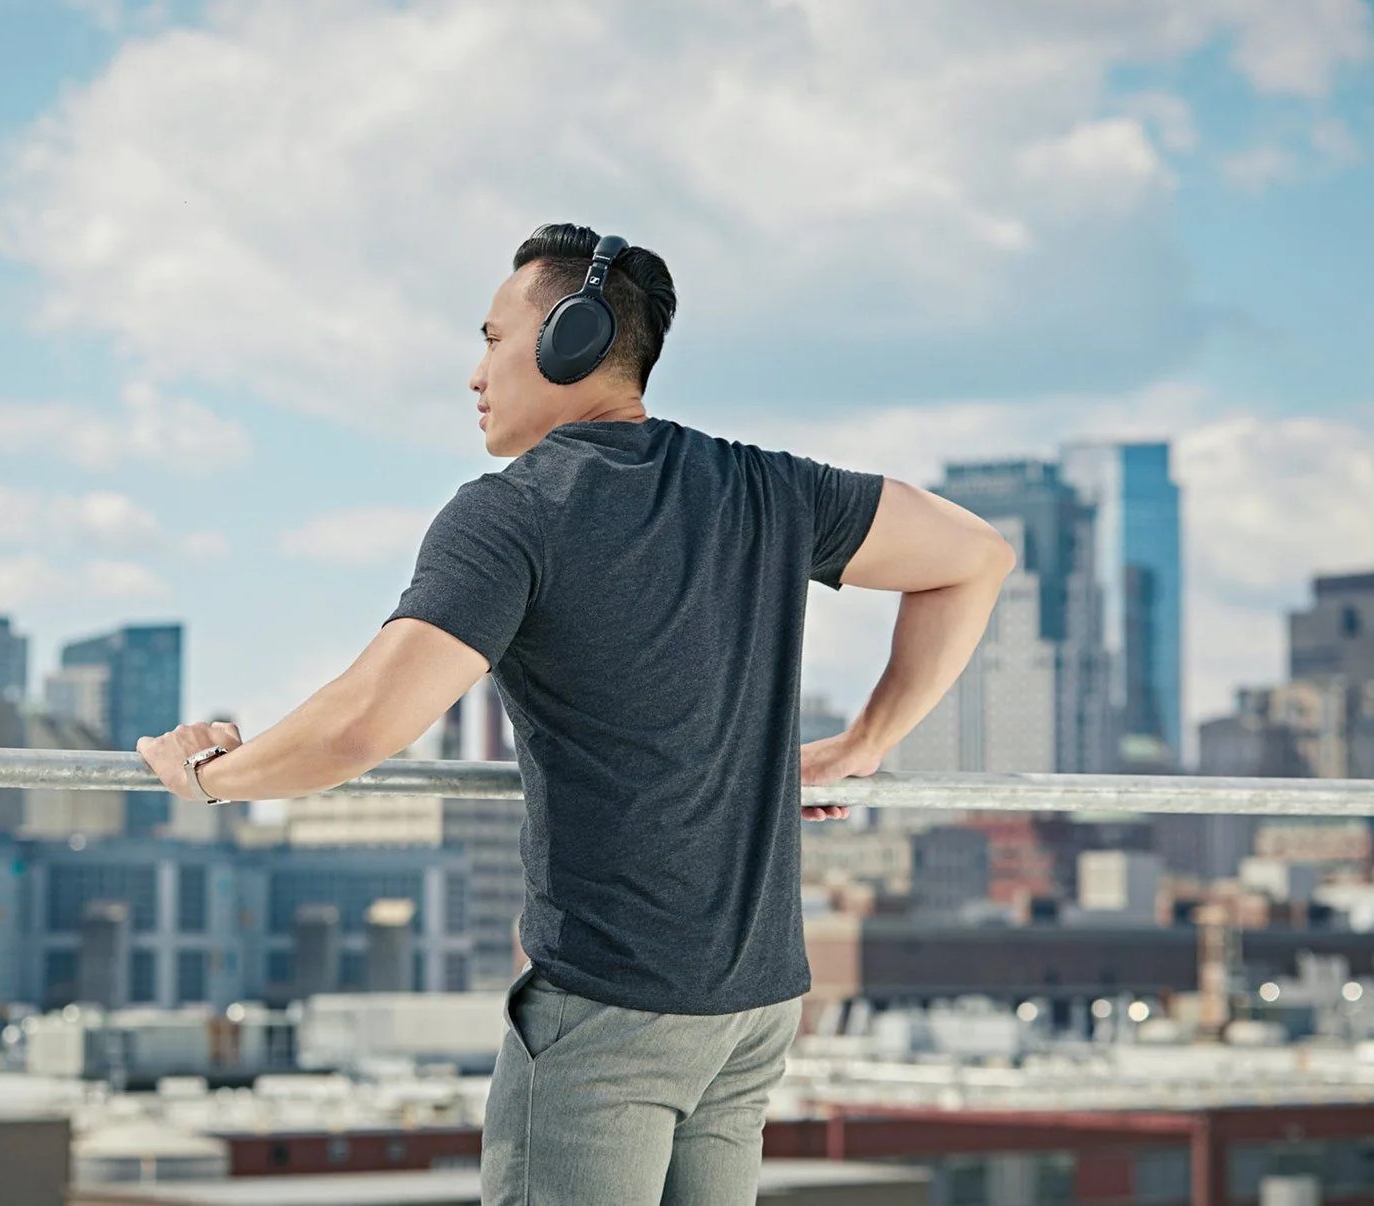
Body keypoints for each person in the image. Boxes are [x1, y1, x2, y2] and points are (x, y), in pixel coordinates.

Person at [390, 222, 1017, 1204]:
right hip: (752, 1012)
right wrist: (869, 741)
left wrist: (209, 770)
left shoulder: (512, 512)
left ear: (570, 338)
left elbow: (368, 722)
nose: (475, 374)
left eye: (493, 340)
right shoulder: (763, 485)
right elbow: (975, 556)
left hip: (610, 1012)